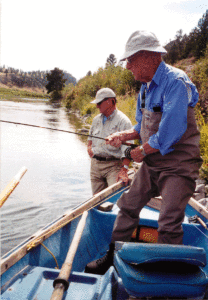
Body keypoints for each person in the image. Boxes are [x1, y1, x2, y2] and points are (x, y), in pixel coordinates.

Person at [85, 30, 202, 275]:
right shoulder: (145, 89)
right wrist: (123, 136)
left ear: (150, 56)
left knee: (169, 221)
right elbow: (141, 127)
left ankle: (166, 275)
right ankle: (113, 254)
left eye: (131, 60)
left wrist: (141, 151)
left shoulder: (175, 82)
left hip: (179, 166)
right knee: (127, 205)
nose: (127, 66)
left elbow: (171, 131)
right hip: (153, 163)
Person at [87, 87, 133, 195]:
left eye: (99, 103)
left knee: (115, 197)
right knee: (96, 201)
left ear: (110, 101)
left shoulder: (124, 121)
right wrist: (89, 149)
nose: (97, 106)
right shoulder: (95, 120)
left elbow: (128, 148)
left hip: (113, 166)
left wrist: (124, 170)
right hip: (95, 166)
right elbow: (89, 139)